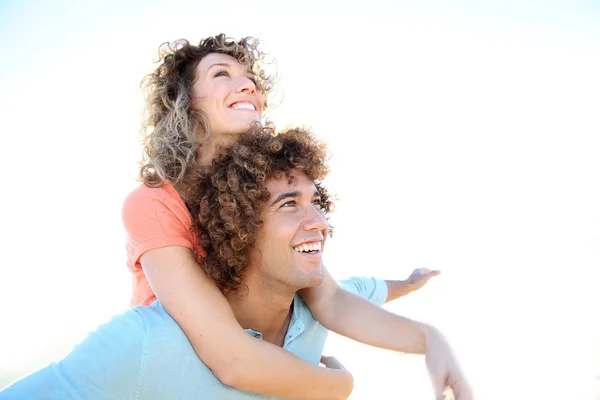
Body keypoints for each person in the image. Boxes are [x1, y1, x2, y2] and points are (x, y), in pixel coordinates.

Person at [0, 126, 471, 399]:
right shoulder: (144, 341)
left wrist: (415, 299)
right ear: (239, 227)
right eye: (289, 204)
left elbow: (366, 289)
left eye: (316, 202)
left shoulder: (317, 308)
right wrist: (340, 387)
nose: (319, 223)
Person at [118, 33, 444, 399]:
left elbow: (335, 295)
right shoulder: (154, 202)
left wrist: (412, 293)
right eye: (221, 74)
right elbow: (229, 358)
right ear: (183, 102)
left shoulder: (261, 193)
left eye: (252, 81)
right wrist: (339, 385)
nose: (247, 86)